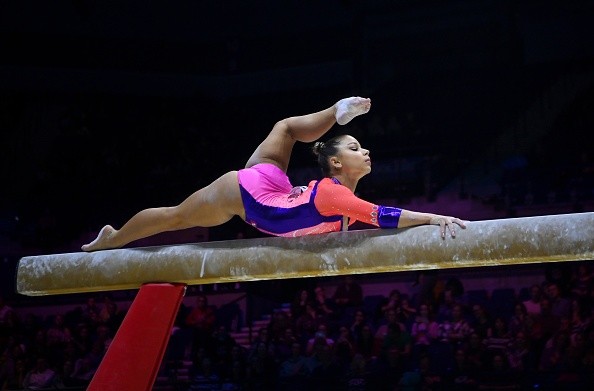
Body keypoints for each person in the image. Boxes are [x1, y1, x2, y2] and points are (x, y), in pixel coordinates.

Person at [82, 97, 466, 251]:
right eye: (353, 148)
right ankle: (112, 240)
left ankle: (337, 111)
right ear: (334, 164)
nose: (365, 151)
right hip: (245, 193)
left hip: (276, 189)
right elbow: (381, 216)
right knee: (177, 217)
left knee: (285, 128)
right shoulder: (335, 195)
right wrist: (434, 217)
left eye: (362, 147)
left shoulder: (335, 194)